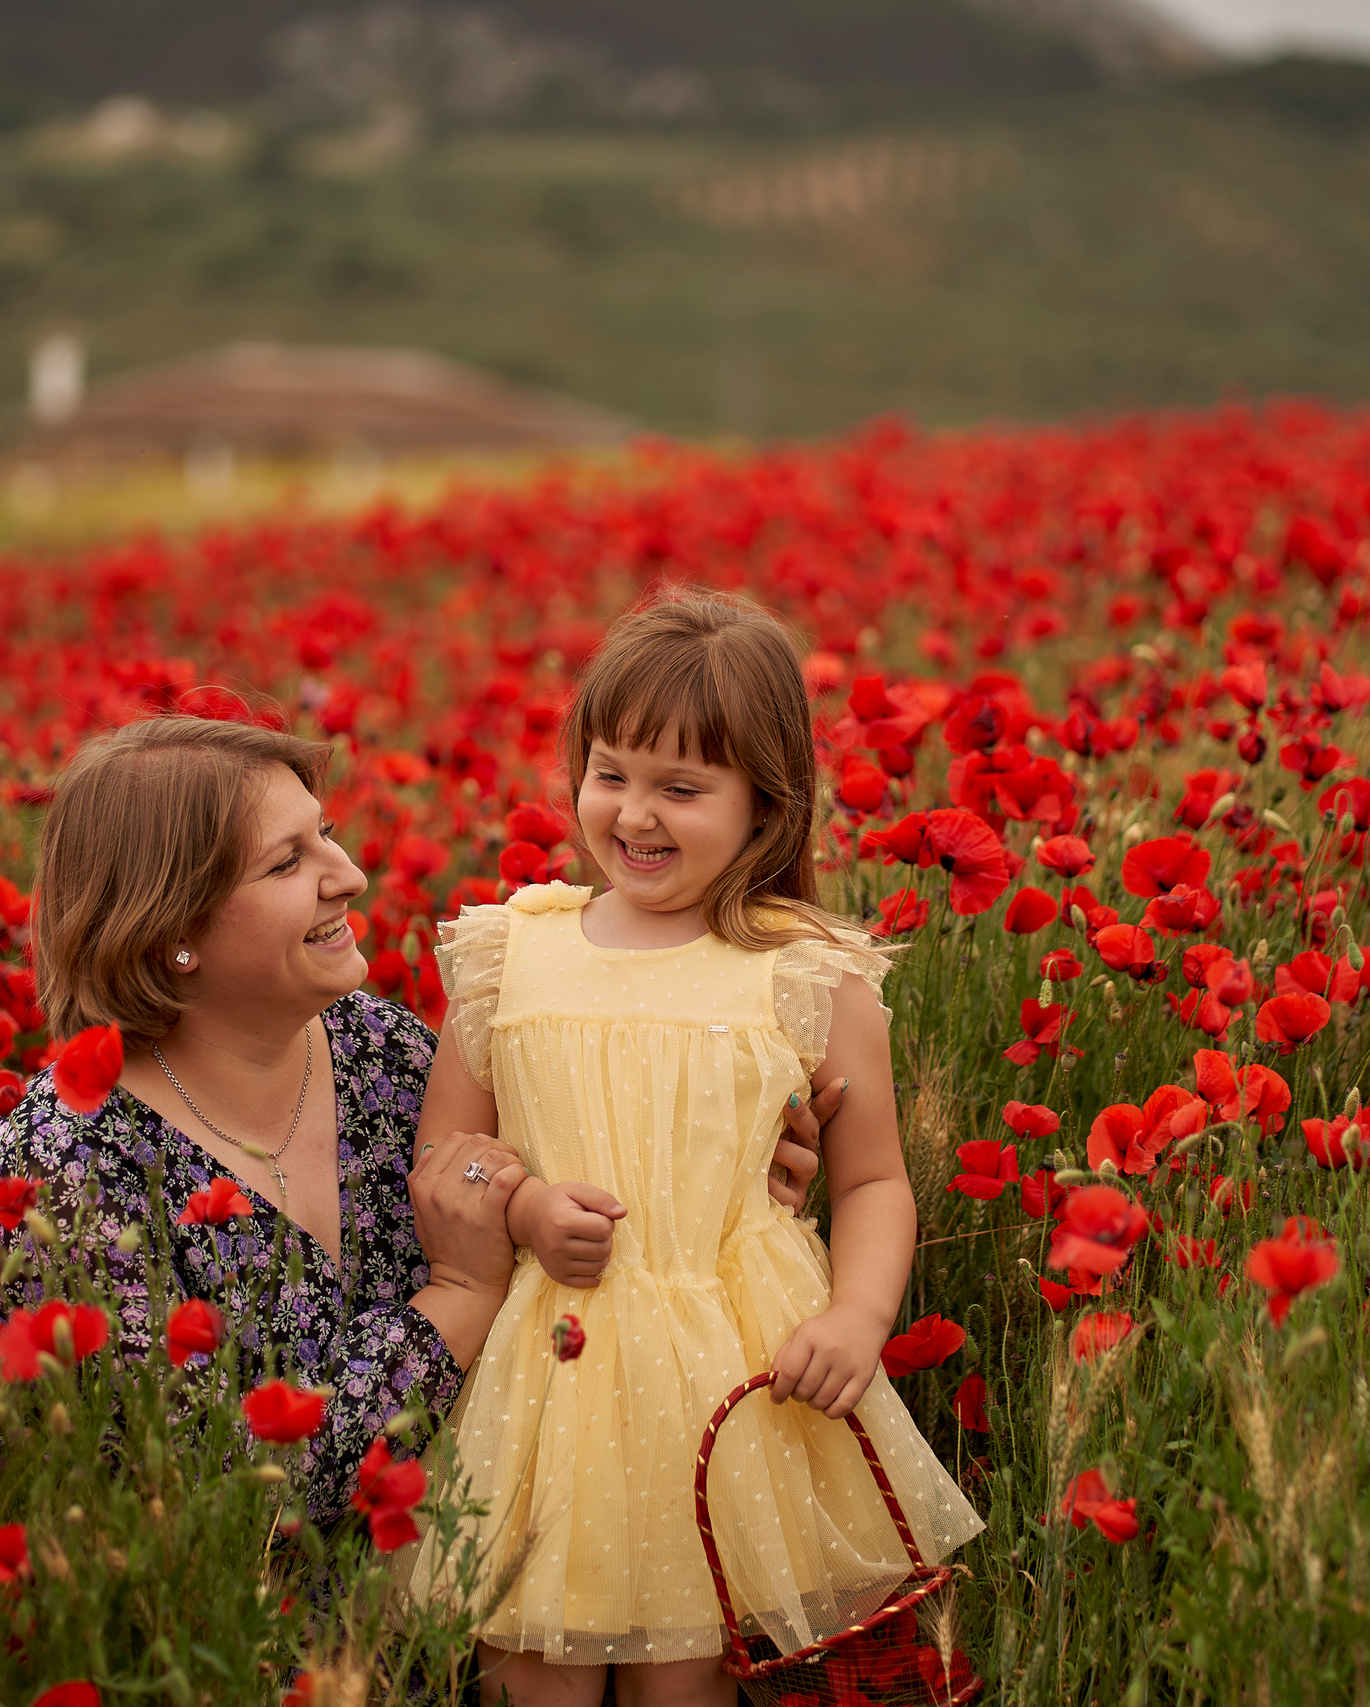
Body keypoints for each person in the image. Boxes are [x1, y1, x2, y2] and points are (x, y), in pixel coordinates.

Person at [0, 715, 841, 1526]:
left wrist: (716, 1170)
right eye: (287, 862)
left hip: (496, 1589)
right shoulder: (60, 1169)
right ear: (166, 932)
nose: (351, 875)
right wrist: (457, 1298)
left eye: (325, 835)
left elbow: (580, 1233)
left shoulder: (386, 1054)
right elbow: (217, 1490)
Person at [404, 594, 983, 1706]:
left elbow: (868, 1179)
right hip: (553, 1366)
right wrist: (521, 1208)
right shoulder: (511, 951)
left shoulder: (803, 970)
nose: (635, 814)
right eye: (611, 773)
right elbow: (448, 1153)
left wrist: (858, 1317)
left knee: (691, 1676)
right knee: (535, 1672)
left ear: (766, 806)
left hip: (735, 1369)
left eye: (682, 788)